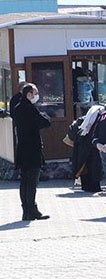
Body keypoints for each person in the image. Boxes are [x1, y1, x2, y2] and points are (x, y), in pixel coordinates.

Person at [13, 83, 51, 221]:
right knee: (32, 181)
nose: (36, 96)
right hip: (32, 149)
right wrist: (44, 114)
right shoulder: (29, 108)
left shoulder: (17, 108)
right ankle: (32, 210)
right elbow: (45, 122)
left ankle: (26, 210)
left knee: (24, 181)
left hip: (22, 148)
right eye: (35, 93)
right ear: (29, 94)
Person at [69, 105, 104, 193]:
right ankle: (95, 187)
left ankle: (85, 186)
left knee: (84, 167)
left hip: (82, 147)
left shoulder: (82, 120)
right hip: (93, 147)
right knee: (95, 167)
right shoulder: (97, 120)